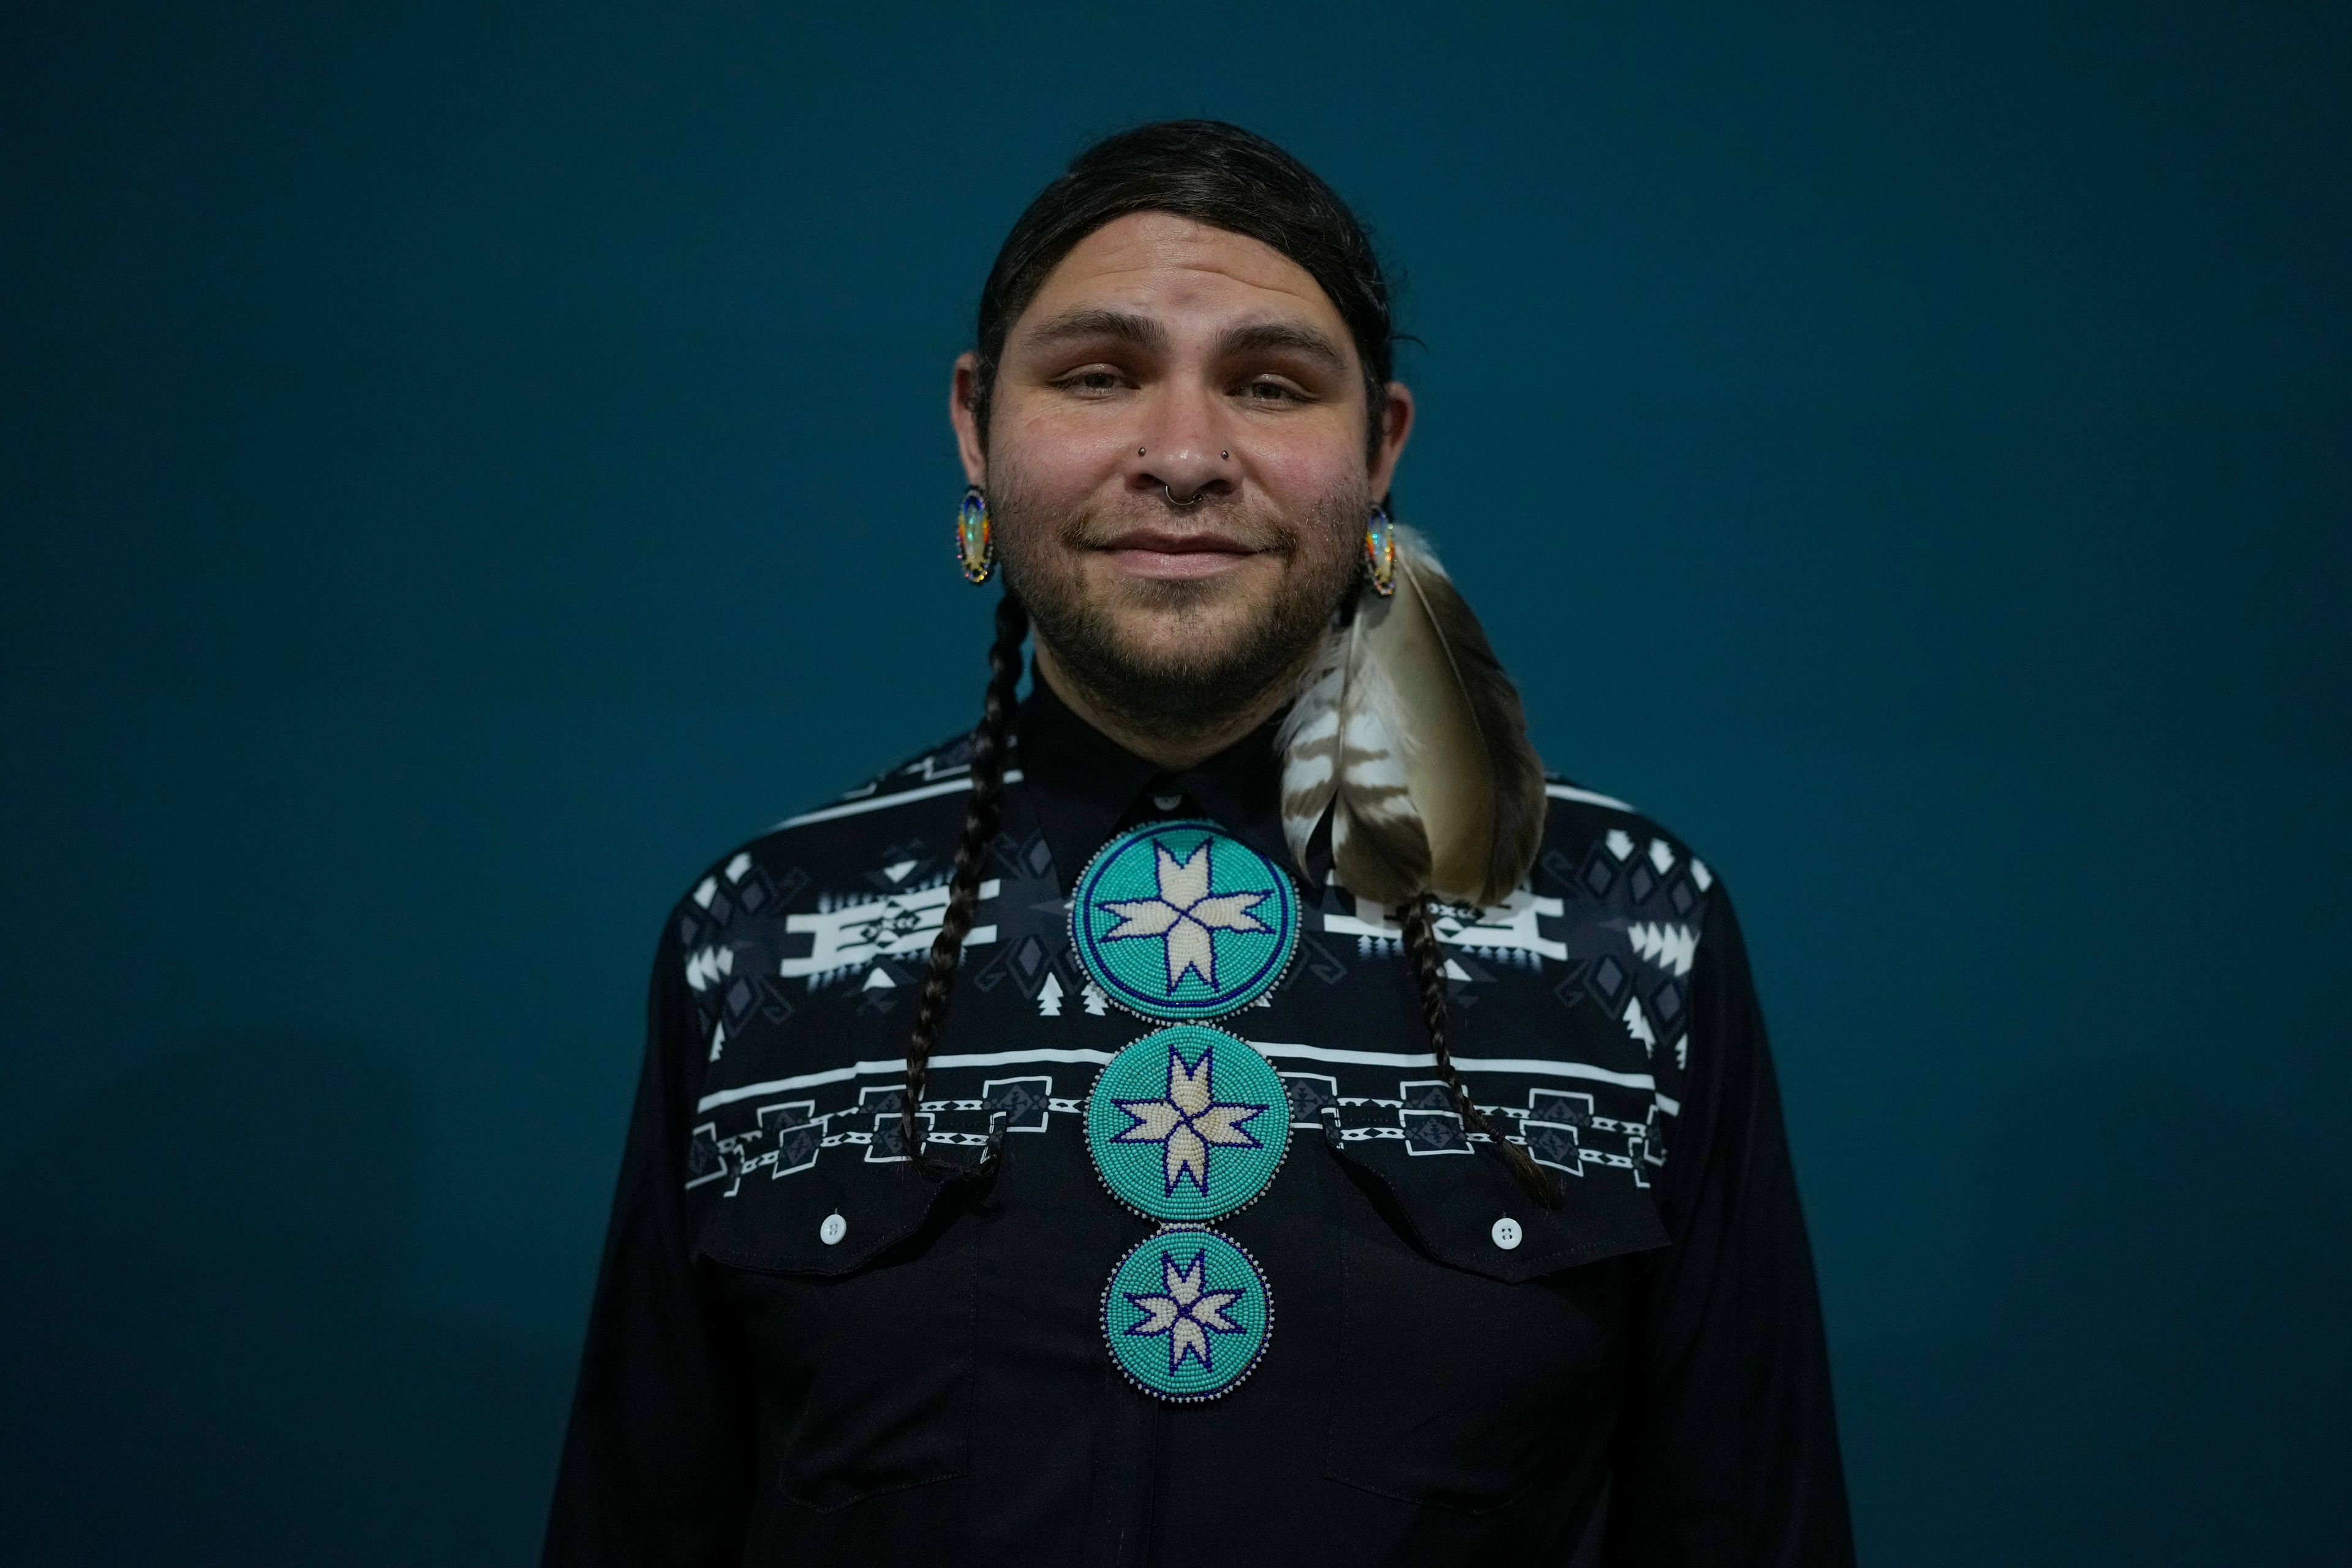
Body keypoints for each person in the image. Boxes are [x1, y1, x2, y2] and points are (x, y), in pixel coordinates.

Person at [544, 119, 1852, 1566]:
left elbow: (1754, 1523)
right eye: (1098, 375)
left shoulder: (1630, 933)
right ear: (976, 426)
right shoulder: (763, 931)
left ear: (1382, 449)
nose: (1182, 454)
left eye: (1271, 383)